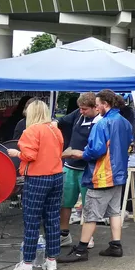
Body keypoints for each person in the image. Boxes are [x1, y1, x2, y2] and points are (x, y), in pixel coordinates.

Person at [58, 90, 132, 263]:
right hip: (119, 173)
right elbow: (127, 143)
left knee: (91, 212)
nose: (96, 107)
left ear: (105, 104)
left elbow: (96, 150)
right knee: (114, 211)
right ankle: (116, 244)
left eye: (98, 104)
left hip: (102, 174)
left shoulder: (102, 124)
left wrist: (78, 153)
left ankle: (81, 249)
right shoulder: (124, 122)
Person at [7, 100, 64, 270]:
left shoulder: (31, 130)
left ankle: (27, 263)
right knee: (52, 219)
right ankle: (51, 260)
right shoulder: (55, 129)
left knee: (31, 221)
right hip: (56, 176)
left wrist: (17, 154)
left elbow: (29, 155)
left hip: (37, 178)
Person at [54, 92, 99, 249]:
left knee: (89, 204)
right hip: (70, 166)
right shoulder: (78, 115)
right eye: (80, 108)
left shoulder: (100, 121)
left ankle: (88, 237)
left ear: (95, 107)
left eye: (85, 109)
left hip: (88, 168)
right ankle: (64, 234)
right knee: (65, 202)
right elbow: (60, 122)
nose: (81, 111)